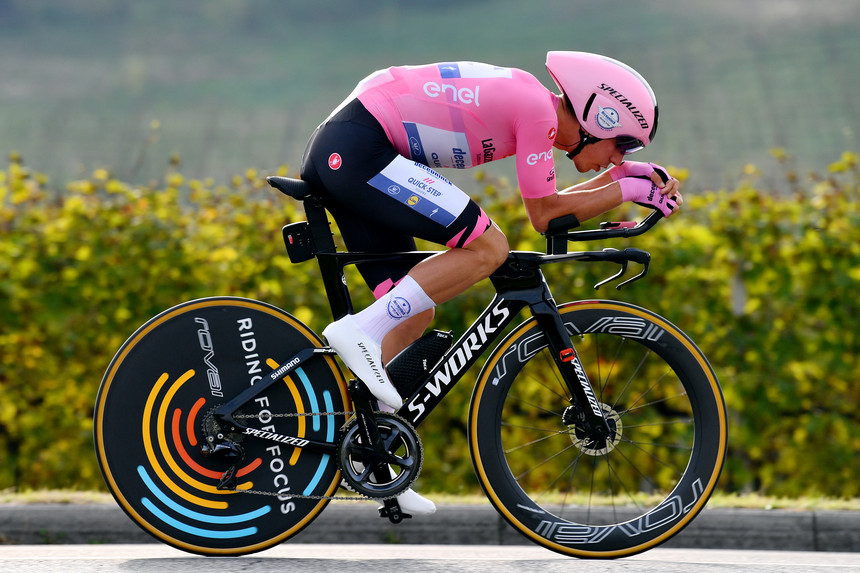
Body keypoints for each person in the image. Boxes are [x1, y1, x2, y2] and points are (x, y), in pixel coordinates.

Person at [300, 51, 682, 515]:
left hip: (353, 148)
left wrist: (623, 178)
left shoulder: (536, 109)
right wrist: (628, 187)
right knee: (488, 247)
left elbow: (552, 205)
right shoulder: (538, 112)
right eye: (622, 146)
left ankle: (372, 456)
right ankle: (360, 329)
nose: (618, 157)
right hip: (361, 148)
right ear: (596, 119)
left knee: (414, 313)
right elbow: (545, 217)